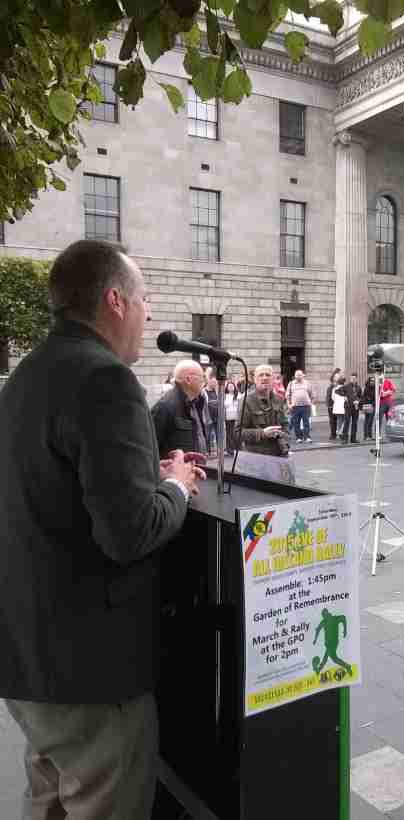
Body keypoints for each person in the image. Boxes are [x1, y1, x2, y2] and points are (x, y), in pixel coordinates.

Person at [0, 239, 205, 820]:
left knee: (49, 803)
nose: (148, 314)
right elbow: (131, 532)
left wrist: (148, 479)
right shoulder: (106, 381)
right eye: (144, 301)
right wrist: (177, 486)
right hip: (91, 674)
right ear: (115, 300)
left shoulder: (28, 374)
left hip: (27, 659)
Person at [151, 359, 211, 458]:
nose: (204, 381)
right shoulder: (165, 406)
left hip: (193, 469)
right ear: (188, 380)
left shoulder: (196, 402)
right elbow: (151, 447)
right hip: (176, 471)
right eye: (202, 377)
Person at [235, 364, 289, 456]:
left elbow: (285, 424)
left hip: (278, 455)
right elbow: (238, 433)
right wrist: (262, 433)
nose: (264, 378)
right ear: (255, 379)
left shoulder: (279, 399)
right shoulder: (246, 401)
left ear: (273, 379)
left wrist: (284, 436)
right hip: (256, 457)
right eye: (261, 375)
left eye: (268, 375)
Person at [286, 369, 315, 444]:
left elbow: (312, 394)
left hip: (306, 406)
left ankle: (307, 437)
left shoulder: (307, 383)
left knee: (306, 422)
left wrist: (311, 403)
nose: (298, 376)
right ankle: (298, 437)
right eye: (297, 375)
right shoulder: (291, 384)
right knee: (296, 423)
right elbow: (287, 395)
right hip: (295, 407)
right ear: (295, 376)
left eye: (300, 375)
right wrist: (289, 405)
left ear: (303, 375)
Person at [339, 373, 362, 444]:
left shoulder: (358, 387)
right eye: (351, 378)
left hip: (355, 407)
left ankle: (353, 438)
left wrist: (358, 401)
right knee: (347, 422)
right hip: (348, 407)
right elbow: (338, 391)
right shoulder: (346, 386)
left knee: (354, 423)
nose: (353, 380)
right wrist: (344, 396)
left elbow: (360, 396)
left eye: (354, 379)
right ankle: (344, 439)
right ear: (350, 379)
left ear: (356, 379)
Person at [326, 368, 342, 440]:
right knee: (332, 420)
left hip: (339, 406)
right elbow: (329, 397)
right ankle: (333, 434)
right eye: (336, 376)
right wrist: (329, 405)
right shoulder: (331, 387)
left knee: (339, 420)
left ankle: (339, 433)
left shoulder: (341, 385)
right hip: (332, 406)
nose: (338, 377)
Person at [224, 380, 239, 455]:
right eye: (229, 386)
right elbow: (224, 405)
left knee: (235, 434)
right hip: (228, 418)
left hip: (236, 417)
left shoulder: (238, 395)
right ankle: (229, 449)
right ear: (227, 388)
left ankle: (236, 449)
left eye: (232, 386)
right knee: (229, 434)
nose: (230, 388)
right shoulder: (225, 396)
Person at [360, 375, 376, 440]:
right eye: (371, 381)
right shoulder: (366, 388)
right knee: (367, 421)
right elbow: (363, 397)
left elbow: (376, 397)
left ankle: (369, 435)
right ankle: (366, 436)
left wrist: (373, 403)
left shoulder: (375, 388)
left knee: (370, 421)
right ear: (369, 381)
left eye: (373, 381)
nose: (372, 382)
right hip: (367, 406)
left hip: (372, 406)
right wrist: (368, 400)